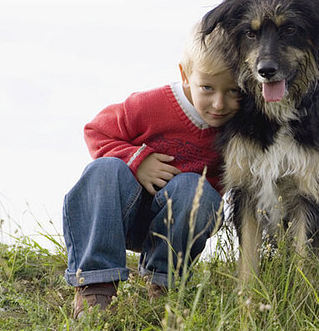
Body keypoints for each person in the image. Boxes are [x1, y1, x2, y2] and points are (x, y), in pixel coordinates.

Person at [62, 25, 240, 319]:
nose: (219, 104)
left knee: (193, 188)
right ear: (185, 75)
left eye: (233, 91)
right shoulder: (150, 105)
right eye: (207, 88)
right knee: (104, 169)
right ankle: (96, 285)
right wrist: (137, 159)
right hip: (118, 216)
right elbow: (96, 130)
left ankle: (163, 284)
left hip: (174, 229)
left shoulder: (238, 129)